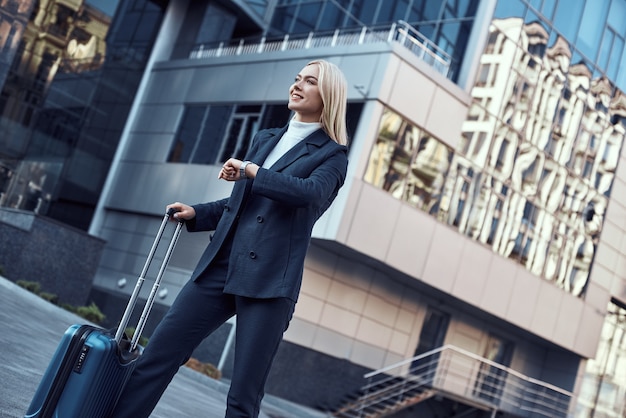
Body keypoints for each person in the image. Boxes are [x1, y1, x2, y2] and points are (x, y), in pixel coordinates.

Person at [110, 59, 349, 418]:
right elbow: (240, 203)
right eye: (297, 78)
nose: (297, 85)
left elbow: (309, 195)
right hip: (221, 266)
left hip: (269, 282)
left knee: (242, 398)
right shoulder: (266, 138)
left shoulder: (333, 155)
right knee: (157, 358)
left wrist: (252, 171)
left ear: (328, 94)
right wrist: (197, 213)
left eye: (310, 81)